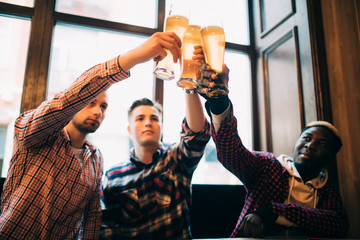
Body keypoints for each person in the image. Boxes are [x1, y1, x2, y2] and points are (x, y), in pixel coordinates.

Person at [0, 32, 183, 239]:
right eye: (91, 103)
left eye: (104, 106)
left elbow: (92, 218)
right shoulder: (35, 132)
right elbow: (64, 102)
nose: (98, 111)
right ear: (77, 103)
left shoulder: (95, 159)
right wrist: (135, 56)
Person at [197, 63, 349, 238]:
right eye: (306, 138)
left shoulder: (327, 189)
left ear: (330, 156)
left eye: (322, 144)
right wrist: (219, 102)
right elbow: (231, 153)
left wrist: (274, 211)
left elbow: (338, 225)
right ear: (296, 142)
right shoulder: (269, 167)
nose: (311, 145)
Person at [100, 53, 211, 239]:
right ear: (129, 128)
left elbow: (198, 136)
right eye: (140, 118)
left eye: (154, 118)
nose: (147, 123)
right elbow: (106, 229)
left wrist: (189, 84)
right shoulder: (113, 176)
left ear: (161, 126)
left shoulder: (175, 158)